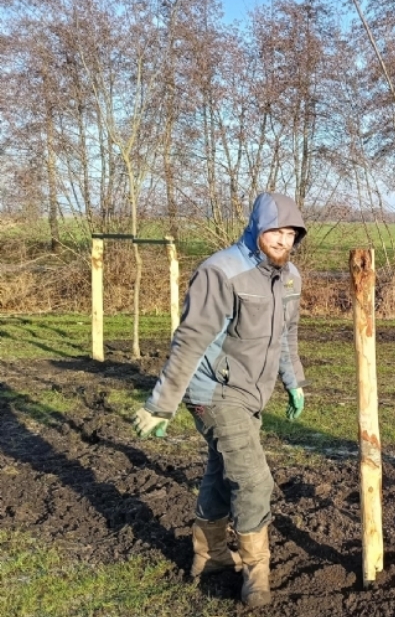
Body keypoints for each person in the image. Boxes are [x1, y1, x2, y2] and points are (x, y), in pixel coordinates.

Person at [131, 191, 309, 607]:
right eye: (275, 232)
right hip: (212, 392)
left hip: (251, 393)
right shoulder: (221, 272)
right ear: (256, 228)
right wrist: (162, 403)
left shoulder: (289, 277)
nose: (283, 241)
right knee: (252, 479)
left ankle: (208, 557)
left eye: (290, 234)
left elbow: (286, 336)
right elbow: (190, 340)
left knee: (220, 471)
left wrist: (293, 380)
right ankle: (255, 573)